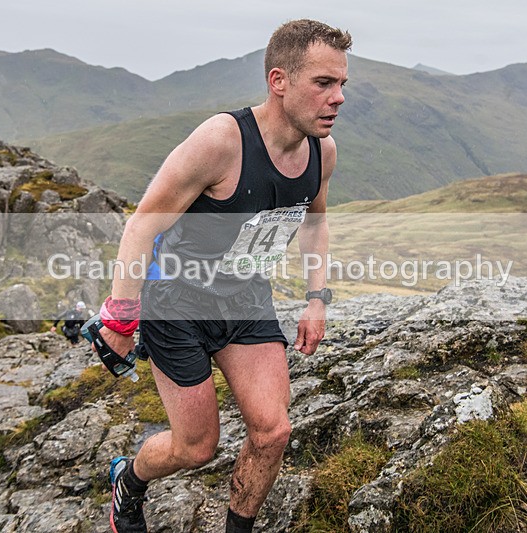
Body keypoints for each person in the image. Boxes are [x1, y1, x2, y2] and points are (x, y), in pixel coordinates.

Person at [99, 19, 350, 533]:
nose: (338, 98)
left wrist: (317, 298)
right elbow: (143, 223)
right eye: (323, 83)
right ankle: (130, 479)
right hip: (178, 304)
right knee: (196, 447)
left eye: (342, 84)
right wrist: (120, 317)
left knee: (273, 431)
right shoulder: (222, 140)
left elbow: (316, 220)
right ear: (279, 81)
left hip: (245, 300)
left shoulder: (322, 152)